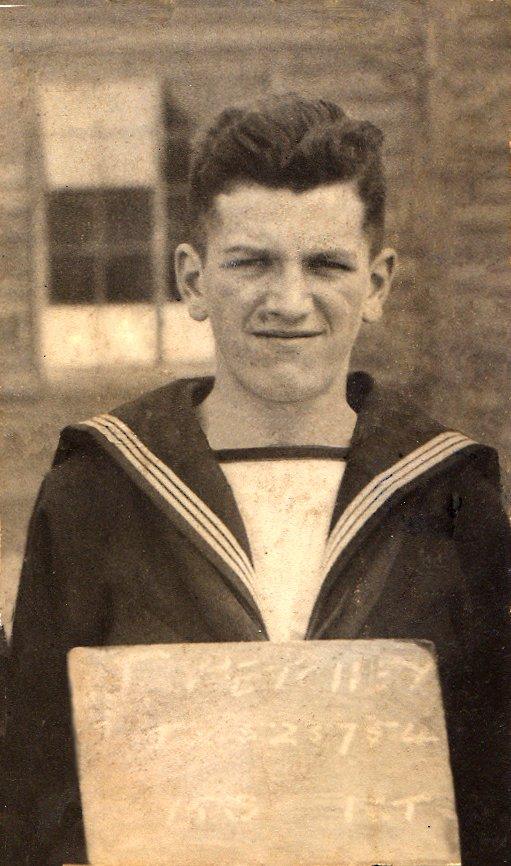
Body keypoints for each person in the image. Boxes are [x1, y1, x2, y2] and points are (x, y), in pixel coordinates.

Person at [6, 94, 510, 866]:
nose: (286, 300)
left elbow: (491, 791)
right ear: (192, 277)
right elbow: (34, 796)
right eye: (250, 261)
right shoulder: (100, 490)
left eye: (325, 264)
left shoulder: (448, 497)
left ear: (376, 284)